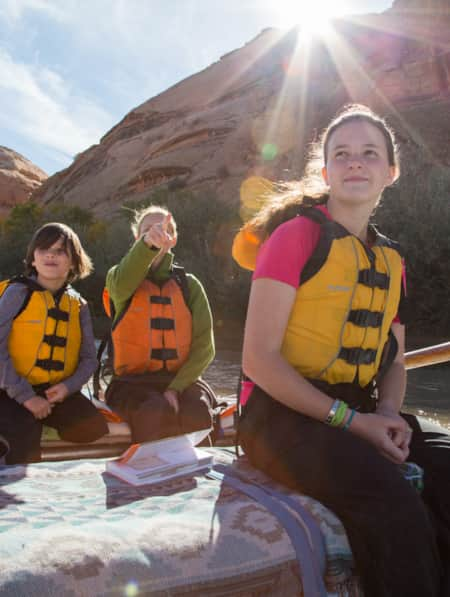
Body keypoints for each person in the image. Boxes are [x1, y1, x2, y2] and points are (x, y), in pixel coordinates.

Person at [232, 104, 449, 597]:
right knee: (391, 501)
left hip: (360, 409)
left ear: (390, 172)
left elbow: (393, 358)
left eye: (369, 153)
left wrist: (389, 414)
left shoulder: (391, 259)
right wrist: (356, 425)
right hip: (277, 416)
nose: (356, 163)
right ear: (326, 170)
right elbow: (257, 360)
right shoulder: (295, 237)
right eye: (342, 154)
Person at [104, 205, 215, 443]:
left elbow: (205, 347)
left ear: (172, 239)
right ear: (137, 238)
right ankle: (150, 474)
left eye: (162, 229)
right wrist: (147, 247)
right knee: (153, 411)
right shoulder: (117, 276)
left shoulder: (190, 285)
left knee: (198, 411)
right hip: (130, 384)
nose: (155, 233)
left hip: (181, 380)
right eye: (147, 230)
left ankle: (198, 475)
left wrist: (175, 388)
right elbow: (123, 284)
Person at [0, 222, 108, 464]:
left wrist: (68, 387)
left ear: (73, 261)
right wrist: (25, 397)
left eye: (60, 251)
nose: (50, 254)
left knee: (92, 427)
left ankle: (36, 417)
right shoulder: (17, 293)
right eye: (43, 249)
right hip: (7, 388)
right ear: (33, 259)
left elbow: (89, 359)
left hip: (52, 391)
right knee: (24, 428)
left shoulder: (78, 304)